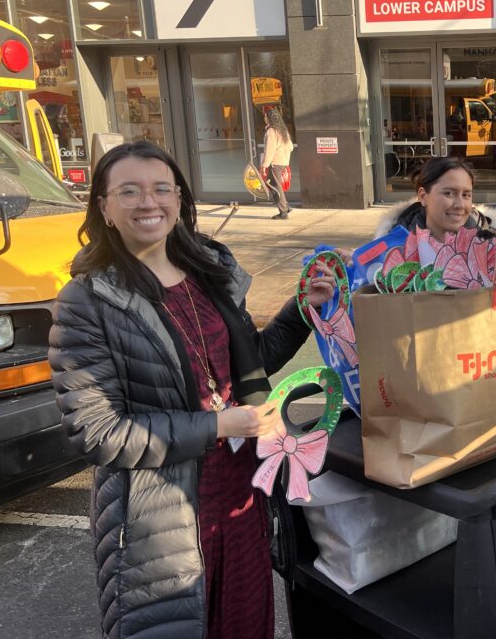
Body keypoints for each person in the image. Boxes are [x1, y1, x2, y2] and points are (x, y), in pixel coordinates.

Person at [48, 141, 336, 639]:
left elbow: (250, 365)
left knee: (246, 626)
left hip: (240, 497)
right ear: (103, 208)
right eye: (129, 191)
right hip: (160, 519)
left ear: (180, 199)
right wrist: (218, 425)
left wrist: (301, 308)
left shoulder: (210, 275)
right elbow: (95, 432)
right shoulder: (87, 300)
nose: (148, 203)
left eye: (162, 189)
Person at [374, 155, 496, 243]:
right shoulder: (389, 249)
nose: (460, 205)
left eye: (466, 195)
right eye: (448, 193)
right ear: (423, 196)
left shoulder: (493, 246)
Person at [259, 108, 293, 220]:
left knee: (275, 187)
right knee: (276, 186)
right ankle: (285, 206)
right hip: (283, 162)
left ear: (269, 118)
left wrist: (264, 166)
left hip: (275, 163)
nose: (264, 118)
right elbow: (291, 147)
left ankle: (283, 212)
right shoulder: (283, 130)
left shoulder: (271, 131)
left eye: (265, 116)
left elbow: (269, 150)